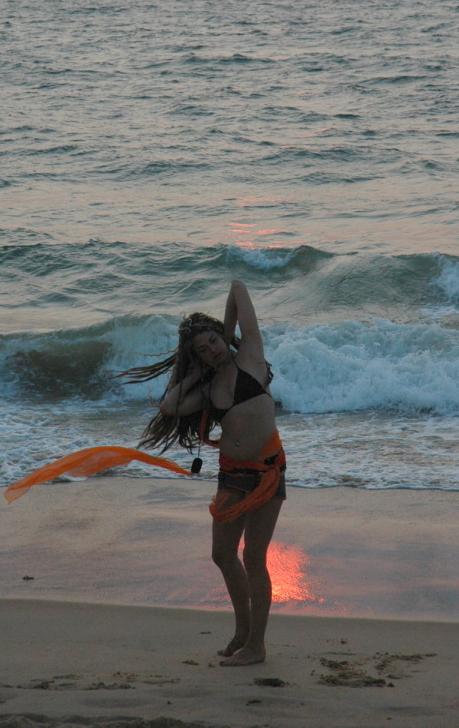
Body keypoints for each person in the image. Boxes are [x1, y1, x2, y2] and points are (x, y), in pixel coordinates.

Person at [129, 279, 285, 667]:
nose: (213, 349)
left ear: (221, 334)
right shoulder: (208, 385)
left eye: (213, 341)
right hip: (232, 475)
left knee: (254, 558)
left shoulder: (250, 355)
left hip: (266, 473)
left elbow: (238, 287)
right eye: (203, 349)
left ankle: (257, 646)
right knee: (222, 555)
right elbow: (169, 406)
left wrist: (227, 335)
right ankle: (241, 634)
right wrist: (196, 371)